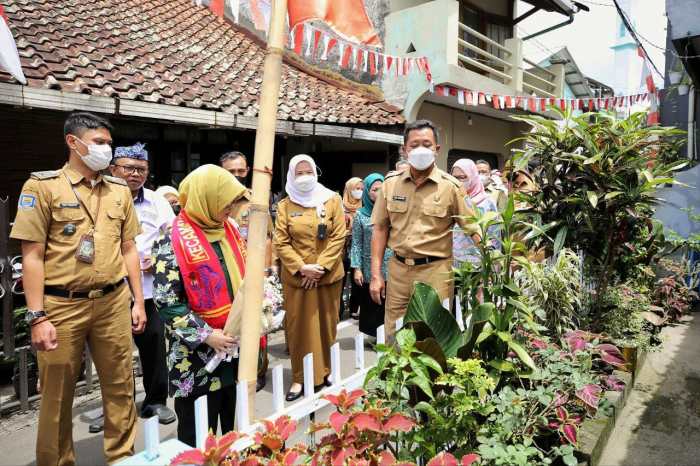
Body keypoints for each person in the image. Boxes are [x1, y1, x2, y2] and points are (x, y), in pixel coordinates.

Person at [11, 112, 146, 465]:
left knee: (121, 387)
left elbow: (129, 247)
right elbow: (33, 256)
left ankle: (122, 457)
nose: (106, 149)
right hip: (61, 304)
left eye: (108, 143)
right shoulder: (43, 187)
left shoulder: (118, 190)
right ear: (74, 142)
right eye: (99, 142)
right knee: (56, 395)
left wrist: (138, 302)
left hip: (113, 300)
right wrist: (37, 316)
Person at [152, 165, 247, 446]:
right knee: (197, 434)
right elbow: (167, 302)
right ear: (205, 199)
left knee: (236, 427)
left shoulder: (229, 230)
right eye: (225, 202)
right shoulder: (172, 239)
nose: (231, 208)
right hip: (196, 355)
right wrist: (208, 336)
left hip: (236, 345)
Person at [370, 120, 479, 338]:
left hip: (435, 271)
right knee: (395, 332)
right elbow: (380, 229)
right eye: (414, 144)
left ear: (437, 150)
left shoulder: (451, 187)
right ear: (404, 150)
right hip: (398, 270)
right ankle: (397, 373)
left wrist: (493, 266)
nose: (420, 149)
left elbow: (474, 229)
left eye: (427, 144)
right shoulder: (390, 184)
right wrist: (375, 275)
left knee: (434, 333)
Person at [108, 143, 176, 425]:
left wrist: (156, 258)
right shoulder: (101, 198)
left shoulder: (157, 202)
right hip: (110, 291)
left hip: (148, 289)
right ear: (113, 169)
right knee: (112, 352)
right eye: (128, 168)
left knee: (154, 348)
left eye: (141, 169)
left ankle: (156, 401)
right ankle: (114, 408)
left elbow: (172, 236)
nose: (135, 174)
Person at [274, 154, 345, 401]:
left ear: (316, 172)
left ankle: (325, 372)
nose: (304, 177)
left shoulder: (332, 200)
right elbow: (280, 242)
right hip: (298, 279)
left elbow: (338, 236)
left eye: (308, 171)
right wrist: (303, 268)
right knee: (299, 329)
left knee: (326, 326)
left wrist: (321, 267)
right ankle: (299, 378)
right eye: (299, 173)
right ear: (291, 175)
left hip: (327, 277)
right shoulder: (285, 206)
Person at [219, 151, 271, 392]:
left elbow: (268, 238)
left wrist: (268, 272)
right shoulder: (216, 200)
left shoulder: (256, 200)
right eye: (231, 172)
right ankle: (232, 369)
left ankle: (258, 371)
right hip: (224, 275)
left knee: (257, 325)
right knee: (230, 326)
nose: (237, 176)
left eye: (241, 171)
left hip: (252, 272)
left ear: (248, 171)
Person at [350, 174, 392, 338]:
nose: (379, 192)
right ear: (368, 192)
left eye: (382, 189)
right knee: (372, 301)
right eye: (375, 189)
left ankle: (389, 335)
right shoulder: (360, 215)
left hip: (390, 263)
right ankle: (373, 336)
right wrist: (357, 268)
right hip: (369, 265)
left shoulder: (391, 211)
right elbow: (356, 244)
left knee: (389, 300)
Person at [451, 159, 501, 267]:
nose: (458, 181)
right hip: (453, 263)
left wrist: (494, 266)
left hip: (478, 264)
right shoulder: (450, 200)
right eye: (455, 178)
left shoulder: (487, 202)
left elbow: (494, 235)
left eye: (463, 177)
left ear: (473, 177)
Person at [341, 177, 363, 319]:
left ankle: (355, 308)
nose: (359, 192)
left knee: (358, 281)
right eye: (356, 189)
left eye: (361, 189)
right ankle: (339, 309)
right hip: (342, 250)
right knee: (341, 280)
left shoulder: (365, 206)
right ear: (349, 190)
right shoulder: (339, 207)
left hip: (359, 250)